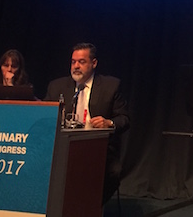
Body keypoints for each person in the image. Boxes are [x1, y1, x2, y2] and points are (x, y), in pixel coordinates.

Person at [44, 42, 130, 205]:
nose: (76, 66)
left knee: (113, 172)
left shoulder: (110, 86)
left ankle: (90, 206)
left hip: (99, 148)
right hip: (63, 148)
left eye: (81, 62)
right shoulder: (57, 86)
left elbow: (124, 119)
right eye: (73, 62)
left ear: (94, 63)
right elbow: (45, 117)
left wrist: (109, 122)